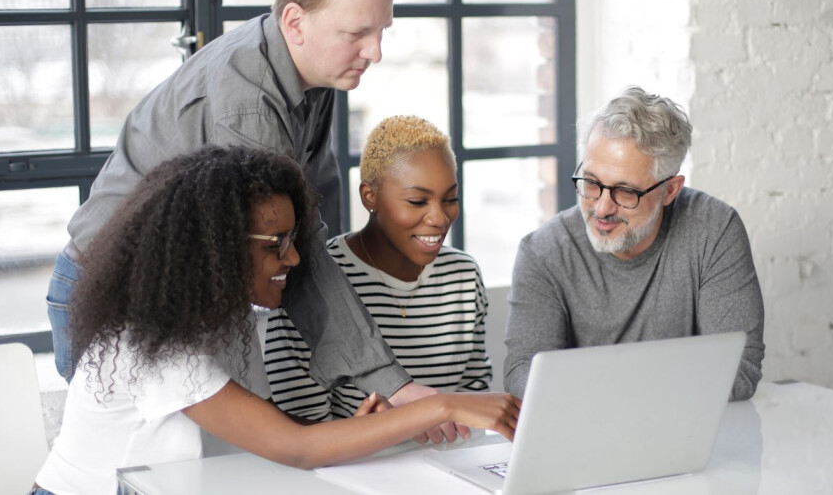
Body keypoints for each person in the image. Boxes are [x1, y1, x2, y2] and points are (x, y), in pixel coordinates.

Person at [46, 0, 436, 419]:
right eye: (357, 33)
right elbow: (298, 244)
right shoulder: (248, 102)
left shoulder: (314, 74)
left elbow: (316, 208)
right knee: (128, 472)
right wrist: (389, 384)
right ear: (295, 21)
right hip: (112, 296)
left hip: (182, 290)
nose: (375, 53)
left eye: (381, 31)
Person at [32, 146, 521, 495]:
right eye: (275, 245)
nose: (291, 260)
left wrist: (353, 433)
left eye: (293, 240)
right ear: (215, 249)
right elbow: (298, 447)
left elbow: (273, 437)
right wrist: (446, 406)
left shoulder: (203, 321)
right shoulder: (155, 347)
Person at [503, 86, 765, 401]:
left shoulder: (714, 231)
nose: (600, 208)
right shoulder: (543, 252)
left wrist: (602, 391)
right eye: (591, 182)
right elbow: (523, 374)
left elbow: (739, 369)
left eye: (626, 191)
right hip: (583, 434)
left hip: (689, 434)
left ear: (670, 190)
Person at [264, 116, 492, 427]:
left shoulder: (463, 275)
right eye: (417, 201)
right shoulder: (312, 282)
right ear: (370, 196)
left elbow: (474, 399)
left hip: (449, 465)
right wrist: (376, 431)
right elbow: (300, 433)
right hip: (351, 469)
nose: (440, 217)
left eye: (450, 199)